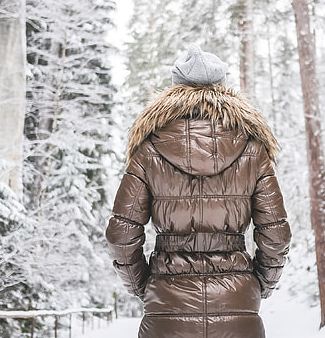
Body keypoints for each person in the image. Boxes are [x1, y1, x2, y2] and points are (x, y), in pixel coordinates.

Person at [106, 44, 292, 338]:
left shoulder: (148, 149)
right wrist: (257, 285)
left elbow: (121, 235)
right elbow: (277, 235)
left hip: (167, 308)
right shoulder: (253, 149)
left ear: (175, 89)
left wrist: (144, 286)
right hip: (238, 306)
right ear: (221, 87)